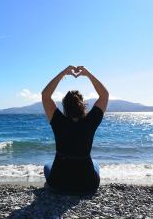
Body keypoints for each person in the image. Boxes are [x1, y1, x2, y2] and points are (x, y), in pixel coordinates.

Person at [41, 65, 109, 194]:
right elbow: (104, 94)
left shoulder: (58, 120)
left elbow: (45, 95)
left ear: (65, 108)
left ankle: (49, 186)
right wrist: (88, 74)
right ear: (83, 106)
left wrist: (63, 73)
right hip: (88, 184)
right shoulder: (91, 121)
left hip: (58, 183)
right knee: (95, 163)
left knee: (47, 166)